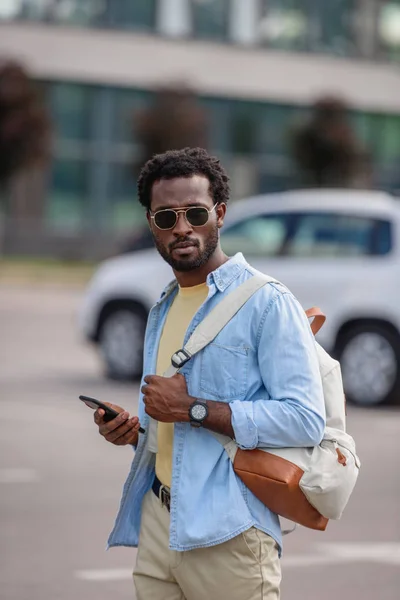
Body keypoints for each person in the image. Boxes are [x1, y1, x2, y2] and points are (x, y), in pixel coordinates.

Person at [94, 147, 326, 600]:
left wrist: (193, 409)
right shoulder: (162, 307)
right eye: (166, 218)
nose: (181, 227)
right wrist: (137, 431)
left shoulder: (267, 302)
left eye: (195, 213)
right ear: (151, 225)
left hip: (230, 531)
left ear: (219, 214)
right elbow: (174, 423)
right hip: (160, 523)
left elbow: (305, 419)